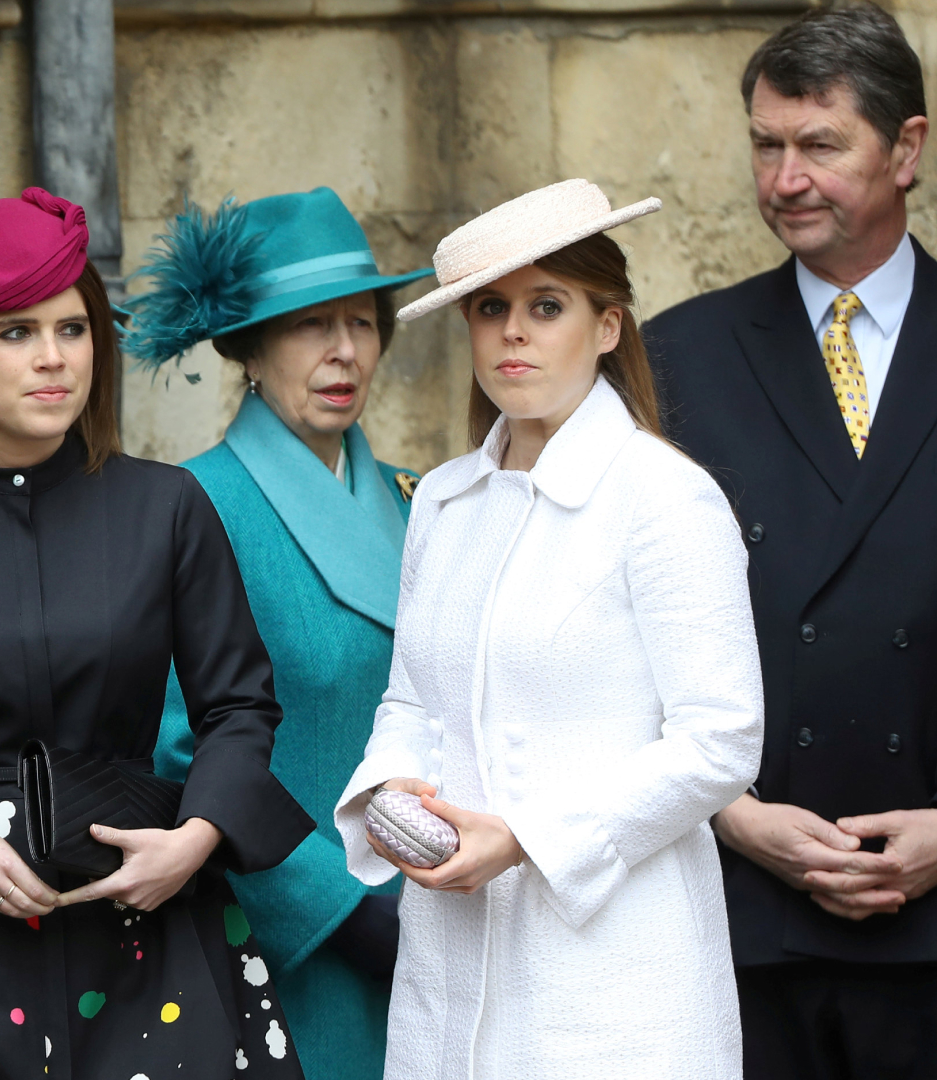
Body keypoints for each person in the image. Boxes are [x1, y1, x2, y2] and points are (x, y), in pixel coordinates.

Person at [0, 187, 313, 1079]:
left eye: (72, 329)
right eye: (16, 332)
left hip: (152, 932)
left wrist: (195, 838)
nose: (53, 358)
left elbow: (239, 708)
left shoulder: (167, 507)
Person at [334, 178, 765, 1080]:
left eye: (546, 305)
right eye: (490, 308)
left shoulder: (665, 499)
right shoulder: (442, 502)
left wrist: (527, 837)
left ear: (607, 326)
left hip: (617, 976)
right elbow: (410, 700)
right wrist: (391, 793)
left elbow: (721, 740)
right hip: (449, 967)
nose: (513, 333)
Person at [642, 6, 937, 1076]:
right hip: (745, 921)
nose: (786, 179)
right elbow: (615, 630)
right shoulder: (677, 357)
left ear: (906, 148)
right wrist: (727, 812)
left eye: (820, 145)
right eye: (766, 145)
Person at [122, 187, 433, 1080]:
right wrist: (344, 910)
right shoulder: (194, 504)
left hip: (443, 912)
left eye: (362, 322)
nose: (344, 351)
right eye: (309, 325)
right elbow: (182, 749)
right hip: (294, 940)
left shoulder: (422, 499)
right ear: (247, 347)